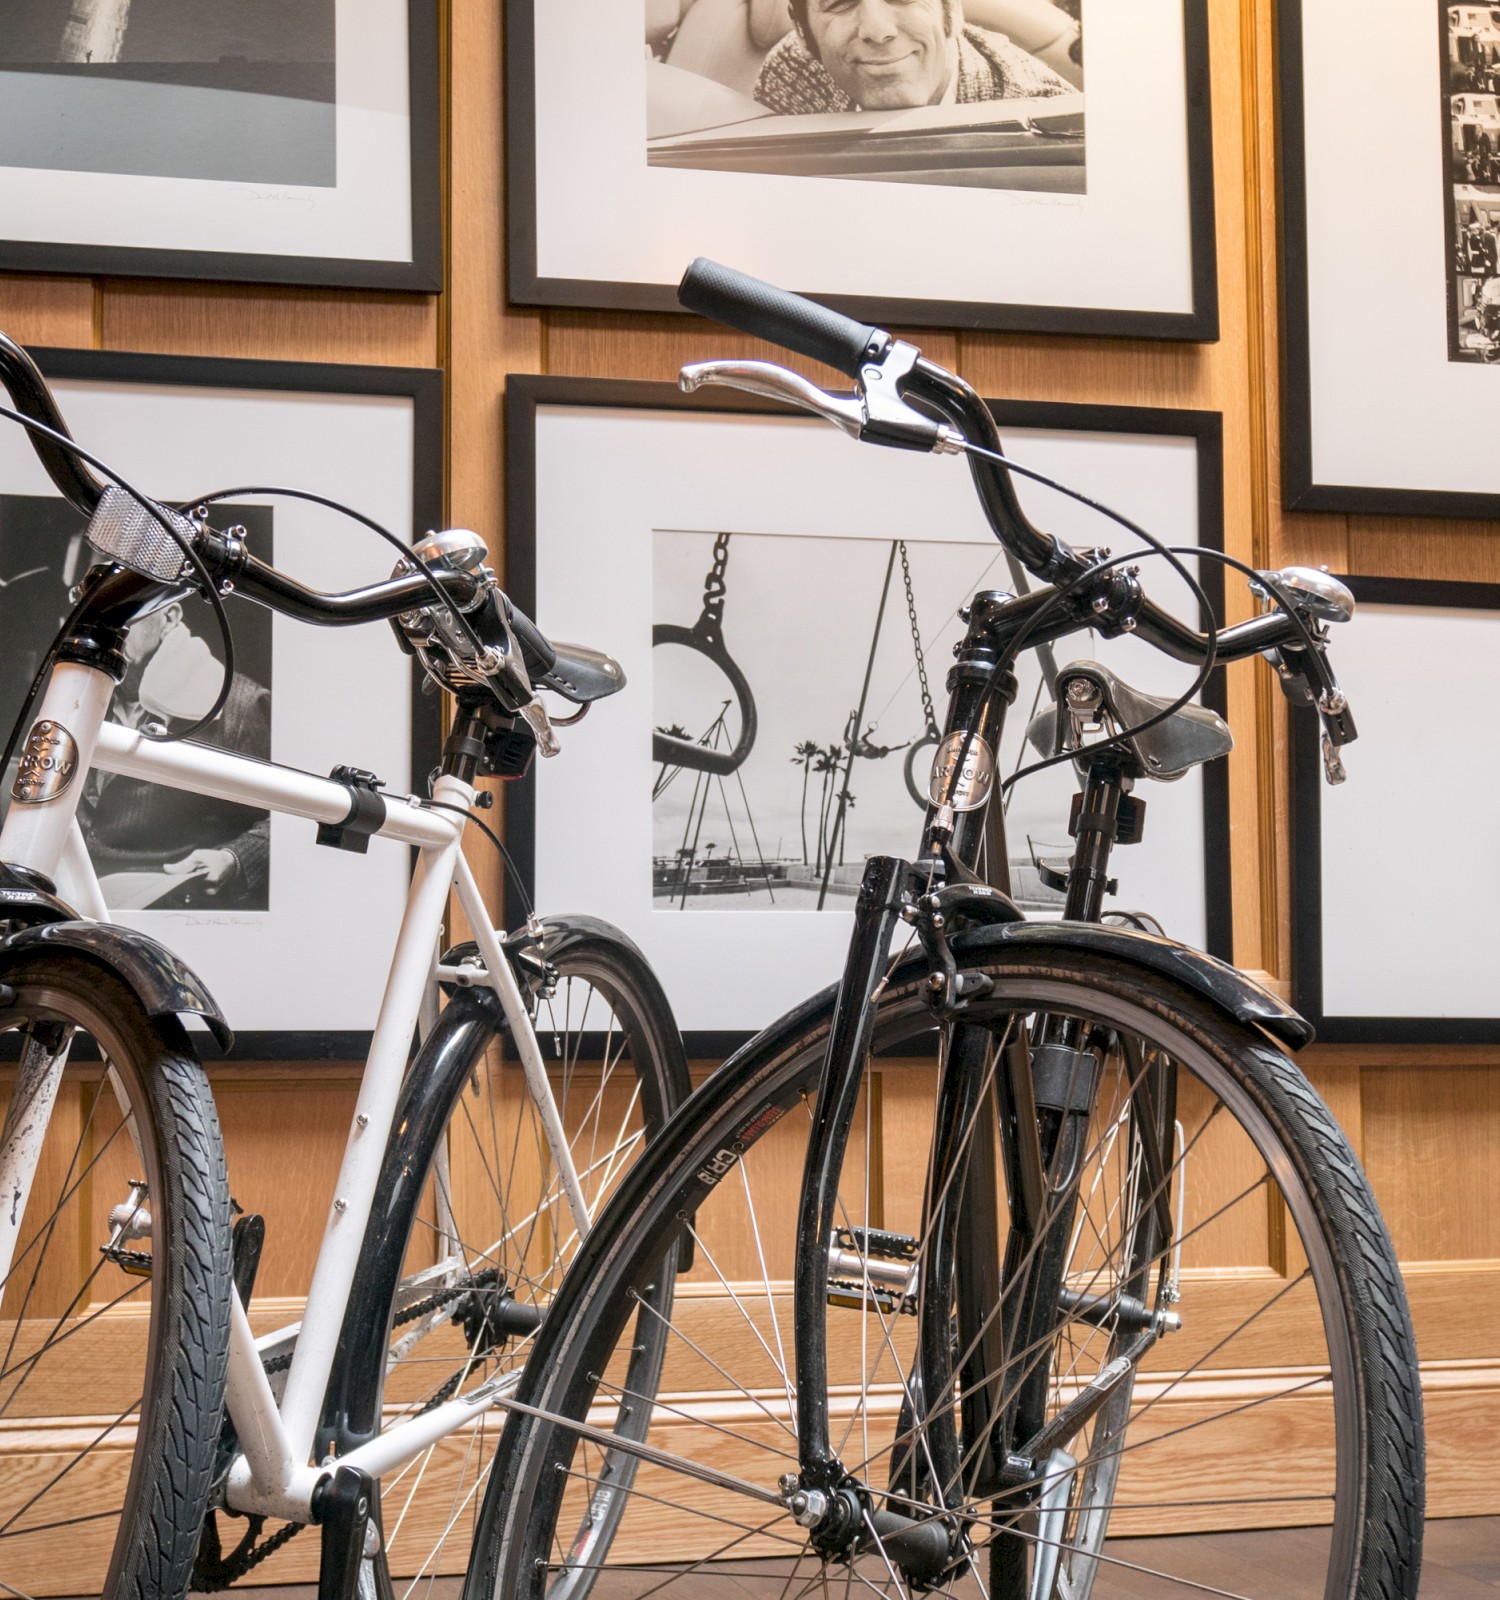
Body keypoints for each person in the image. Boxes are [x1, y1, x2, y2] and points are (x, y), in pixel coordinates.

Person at [81, 598, 272, 909]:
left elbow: (281, 821)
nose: (106, 628)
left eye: (124, 614)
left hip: (170, 901)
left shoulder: (241, 706)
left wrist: (231, 859)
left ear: (169, 618)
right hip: (75, 891)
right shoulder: (77, 690)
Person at [754, 0, 1070, 117]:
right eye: (840, 3)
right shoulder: (791, 74)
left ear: (953, 9)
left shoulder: (1040, 115)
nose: (877, 30)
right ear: (802, 29)